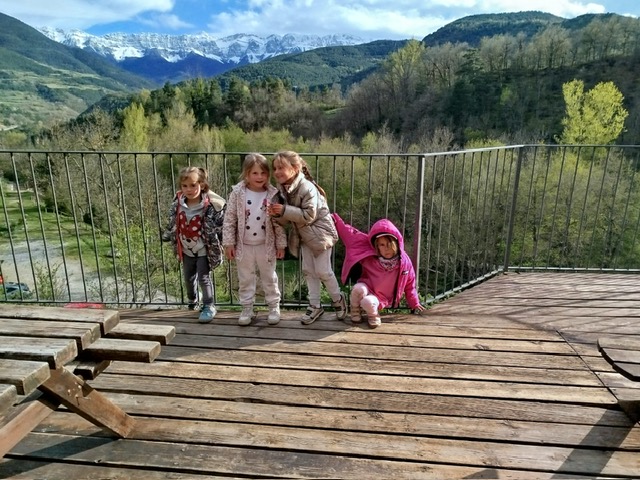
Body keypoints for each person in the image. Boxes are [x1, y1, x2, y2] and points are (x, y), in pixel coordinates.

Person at [268, 150, 346, 324]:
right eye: (275, 168)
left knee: (323, 271)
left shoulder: (307, 187)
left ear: (295, 168)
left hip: (320, 235)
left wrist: (284, 210)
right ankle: (315, 305)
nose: (277, 172)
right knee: (309, 271)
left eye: (281, 167)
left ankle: (338, 299)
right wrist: (276, 214)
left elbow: (309, 215)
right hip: (304, 236)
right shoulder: (284, 189)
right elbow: (288, 220)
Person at [222, 153, 287, 326]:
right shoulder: (237, 193)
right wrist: (229, 243)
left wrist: (281, 244)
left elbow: (278, 222)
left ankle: (274, 306)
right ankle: (246, 308)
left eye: (263, 173)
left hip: (266, 245)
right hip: (243, 245)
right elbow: (229, 219)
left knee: (269, 277)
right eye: (255, 173)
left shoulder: (273, 194)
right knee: (245, 278)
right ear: (247, 174)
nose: (260, 177)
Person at [332, 213, 425, 328]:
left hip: (381, 298)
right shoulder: (370, 255)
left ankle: (373, 315)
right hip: (367, 287)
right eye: (382, 245)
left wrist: (414, 302)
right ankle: (355, 309)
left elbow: (410, 285)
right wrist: (336, 220)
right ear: (376, 246)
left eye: (389, 244)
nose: (386, 248)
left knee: (368, 302)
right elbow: (349, 234)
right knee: (358, 289)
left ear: (396, 243)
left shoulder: (404, 263)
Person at [161, 166, 226, 323]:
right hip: (185, 249)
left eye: (193, 185)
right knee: (189, 278)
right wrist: (168, 234)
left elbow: (219, 226)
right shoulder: (178, 202)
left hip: (204, 249)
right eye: (185, 186)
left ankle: (209, 305)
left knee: (203, 277)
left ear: (202, 185)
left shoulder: (209, 205)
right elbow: (173, 221)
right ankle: (193, 300)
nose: (189, 189)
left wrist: (223, 242)